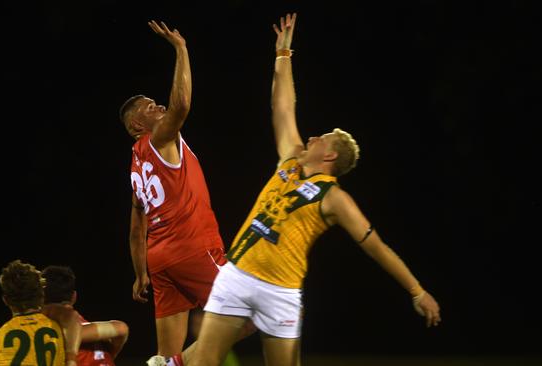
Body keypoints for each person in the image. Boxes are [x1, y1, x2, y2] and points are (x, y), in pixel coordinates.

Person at [186, 13, 442, 366]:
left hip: (281, 291)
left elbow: (377, 248)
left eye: (323, 137)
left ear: (331, 155)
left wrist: (417, 290)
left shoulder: (334, 197)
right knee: (202, 362)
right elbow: (282, 106)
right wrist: (283, 55)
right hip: (238, 275)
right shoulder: (290, 160)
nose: (312, 136)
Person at [119, 19, 246, 362]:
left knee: (164, 351)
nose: (158, 106)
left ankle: (167, 362)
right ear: (137, 126)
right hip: (191, 246)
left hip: (160, 258)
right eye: (149, 107)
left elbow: (135, 227)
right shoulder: (158, 139)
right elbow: (182, 104)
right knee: (256, 309)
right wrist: (181, 49)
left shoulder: (136, 163)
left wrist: (140, 271)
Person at [0, 259, 82, 366]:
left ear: (5, 300)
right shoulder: (58, 326)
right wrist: (71, 360)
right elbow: (72, 316)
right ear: (42, 295)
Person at [42, 265, 130, 366]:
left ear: (41, 298)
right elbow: (122, 328)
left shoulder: (45, 331)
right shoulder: (96, 331)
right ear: (74, 297)